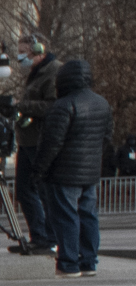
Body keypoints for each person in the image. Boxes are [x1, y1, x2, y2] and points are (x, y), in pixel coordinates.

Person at [33, 54, 109, 274]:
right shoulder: (101, 103)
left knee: (66, 217)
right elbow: (107, 136)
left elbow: (51, 143)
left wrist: (39, 170)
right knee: (88, 215)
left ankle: (68, 263)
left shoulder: (62, 105)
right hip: (90, 170)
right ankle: (89, 261)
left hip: (63, 172)